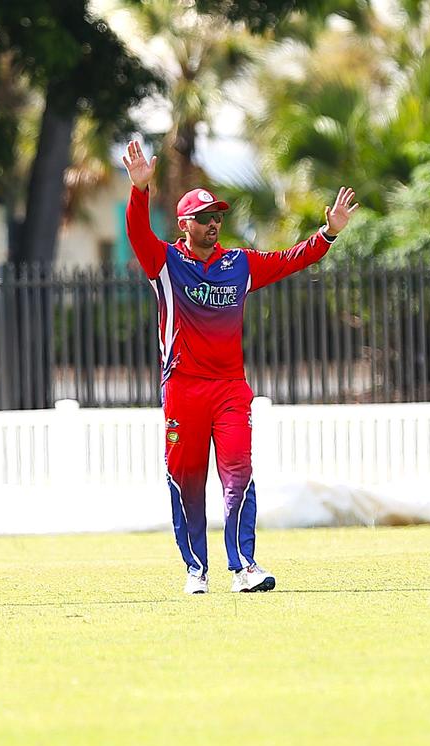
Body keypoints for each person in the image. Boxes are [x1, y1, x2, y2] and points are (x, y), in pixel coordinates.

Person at [121, 140, 358, 594]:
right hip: (183, 389)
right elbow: (136, 233)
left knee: (238, 474)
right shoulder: (165, 263)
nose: (214, 224)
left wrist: (327, 235)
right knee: (185, 479)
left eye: (219, 218)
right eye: (205, 219)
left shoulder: (239, 265)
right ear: (185, 224)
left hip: (230, 389)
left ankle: (244, 566)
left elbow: (291, 260)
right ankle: (195, 569)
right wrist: (139, 191)